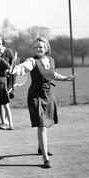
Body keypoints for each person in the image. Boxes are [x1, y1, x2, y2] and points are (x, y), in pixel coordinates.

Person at [9, 37, 76, 168]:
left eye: (41, 47)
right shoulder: (32, 61)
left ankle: (41, 148)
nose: (38, 49)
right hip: (35, 96)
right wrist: (14, 70)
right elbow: (23, 68)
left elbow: (52, 74)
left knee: (44, 124)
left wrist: (65, 78)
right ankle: (45, 158)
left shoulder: (50, 61)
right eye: (36, 47)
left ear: (46, 48)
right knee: (41, 125)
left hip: (48, 95)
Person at [0, 34, 16, 127]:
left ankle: (6, 122)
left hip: (8, 81)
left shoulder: (9, 51)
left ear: (2, 41)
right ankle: (2, 122)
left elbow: (13, 67)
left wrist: (13, 83)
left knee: (5, 103)